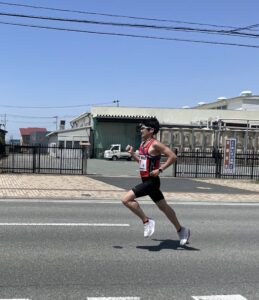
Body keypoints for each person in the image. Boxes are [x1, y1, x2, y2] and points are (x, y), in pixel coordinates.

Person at [122, 118, 190, 246]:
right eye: (141, 128)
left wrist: (160, 169)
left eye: (143, 128)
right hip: (146, 180)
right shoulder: (143, 144)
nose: (141, 130)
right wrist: (132, 154)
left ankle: (147, 221)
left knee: (126, 199)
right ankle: (182, 230)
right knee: (164, 207)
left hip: (152, 182)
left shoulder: (155, 144)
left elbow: (173, 156)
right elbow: (143, 163)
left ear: (151, 130)